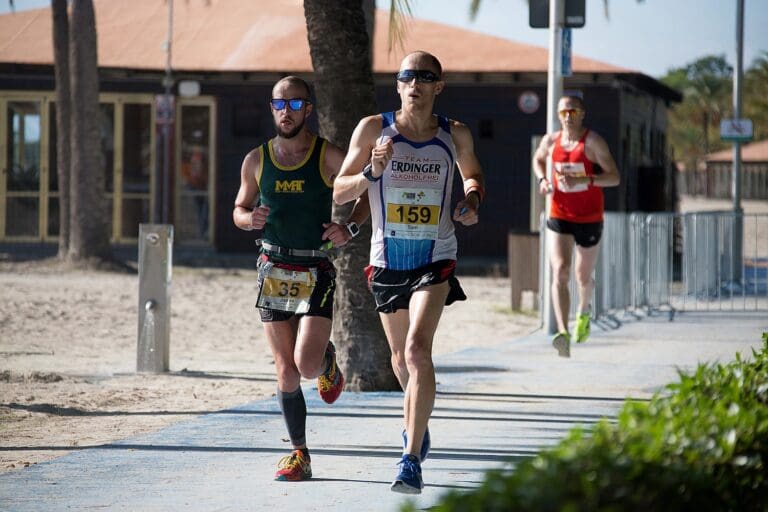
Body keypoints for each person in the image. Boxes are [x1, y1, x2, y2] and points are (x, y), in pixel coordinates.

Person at [333, 51, 485, 494]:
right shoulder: (372, 129)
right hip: (386, 259)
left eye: (425, 76)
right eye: (406, 76)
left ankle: (409, 458)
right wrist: (370, 170)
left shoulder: (453, 134)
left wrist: (471, 203)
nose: (414, 83)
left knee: (418, 351)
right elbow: (341, 189)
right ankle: (419, 424)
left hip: (435, 255)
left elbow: (472, 176)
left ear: (439, 86)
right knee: (400, 360)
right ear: (397, 85)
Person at [232, 76, 368, 482]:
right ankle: (299, 453)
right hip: (273, 267)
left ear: (308, 109)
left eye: (295, 104)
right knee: (285, 370)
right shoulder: (256, 159)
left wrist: (350, 229)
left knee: (306, 365)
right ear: (271, 108)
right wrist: (247, 219)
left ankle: (327, 359)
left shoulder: (328, 155)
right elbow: (239, 208)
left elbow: (365, 189)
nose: (286, 112)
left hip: (315, 267)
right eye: (280, 104)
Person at [532, 95, 620, 358]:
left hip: (590, 217)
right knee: (560, 271)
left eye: (573, 111)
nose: (568, 116)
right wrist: (542, 180)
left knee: (582, 277)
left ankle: (583, 312)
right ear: (558, 115)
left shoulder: (593, 143)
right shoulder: (551, 141)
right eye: (563, 112)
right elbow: (538, 160)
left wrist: (586, 178)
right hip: (559, 213)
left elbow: (614, 177)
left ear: (582, 114)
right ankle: (563, 331)